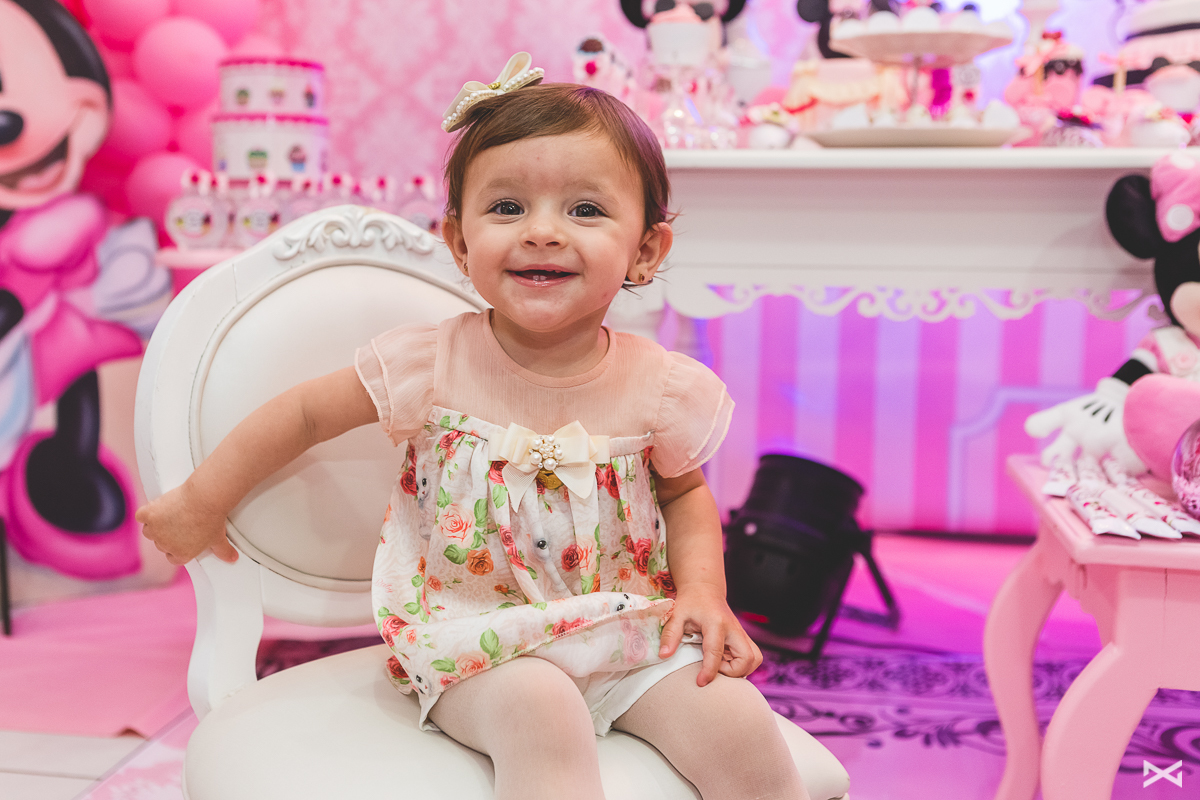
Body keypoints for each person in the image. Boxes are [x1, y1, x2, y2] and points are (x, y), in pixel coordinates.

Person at [137, 53, 810, 800]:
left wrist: (704, 593)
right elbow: (303, 414)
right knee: (543, 713)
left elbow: (684, 495)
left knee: (738, 723)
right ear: (459, 242)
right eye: (508, 207)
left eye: (585, 210)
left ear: (645, 250)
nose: (543, 233)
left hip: (624, 627)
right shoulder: (432, 363)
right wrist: (200, 500)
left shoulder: (660, 385)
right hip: (474, 640)